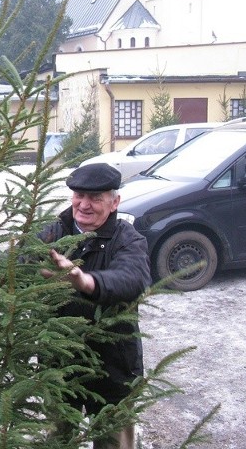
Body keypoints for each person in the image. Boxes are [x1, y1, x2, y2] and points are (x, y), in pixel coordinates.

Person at [37, 163, 151, 449]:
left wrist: (86, 282)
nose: (84, 205)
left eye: (95, 198)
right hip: (60, 366)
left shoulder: (128, 239)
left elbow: (132, 278)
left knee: (115, 443)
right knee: (58, 440)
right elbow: (17, 268)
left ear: (115, 202)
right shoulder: (52, 235)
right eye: (79, 195)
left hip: (115, 367)